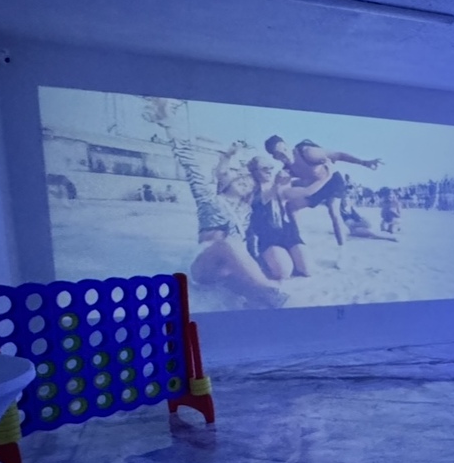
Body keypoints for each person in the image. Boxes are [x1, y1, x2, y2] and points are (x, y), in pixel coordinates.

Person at [143, 97, 286, 308]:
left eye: (250, 184)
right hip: (204, 263)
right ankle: (270, 289)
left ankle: (262, 297)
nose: (246, 182)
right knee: (229, 244)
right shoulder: (208, 199)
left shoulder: (245, 211)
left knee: (250, 283)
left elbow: (267, 199)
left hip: (229, 266)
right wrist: (170, 125)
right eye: (242, 179)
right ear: (228, 182)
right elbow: (190, 164)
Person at [264, 135, 382, 247]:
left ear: (287, 145)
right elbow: (282, 194)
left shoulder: (307, 152)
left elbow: (338, 155)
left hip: (332, 180)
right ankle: (297, 241)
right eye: (279, 154)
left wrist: (364, 162)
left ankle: (342, 249)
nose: (285, 154)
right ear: (275, 157)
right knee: (291, 207)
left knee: (333, 212)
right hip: (315, 186)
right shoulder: (286, 170)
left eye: (285, 149)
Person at [246, 157, 309, 280]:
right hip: (269, 238)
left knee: (307, 270)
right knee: (283, 273)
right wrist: (277, 184)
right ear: (254, 171)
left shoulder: (280, 187)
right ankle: (270, 260)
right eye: (265, 168)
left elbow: (305, 192)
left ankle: (287, 258)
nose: (269, 170)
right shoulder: (251, 189)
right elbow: (262, 199)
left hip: (288, 233)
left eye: (271, 167)